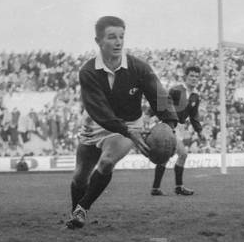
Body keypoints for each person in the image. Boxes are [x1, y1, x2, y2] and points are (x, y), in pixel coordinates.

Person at [66, 16, 178, 229]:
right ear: (98, 41)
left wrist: (170, 124)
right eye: (111, 37)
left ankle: (82, 210)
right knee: (80, 177)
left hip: (129, 126)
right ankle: (75, 214)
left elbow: (160, 96)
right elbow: (98, 109)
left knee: (107, 161)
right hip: (96, 124)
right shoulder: (88, 72)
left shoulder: (139, 68)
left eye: (121, 37)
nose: (118, 42)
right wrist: (125, 130)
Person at [151, 65, 202, 196]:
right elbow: (162, 101)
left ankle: (156, 188)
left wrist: (199, 131)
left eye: (196, 76)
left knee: (167, 156)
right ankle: (178, 187)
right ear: (186, 77)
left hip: (179, 128)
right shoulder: (176, 90)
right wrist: (148, 114)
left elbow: (194, 116)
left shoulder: (195, 96)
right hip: (169, 125)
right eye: (191, 76)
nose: (194, 78)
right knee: (182, 154)